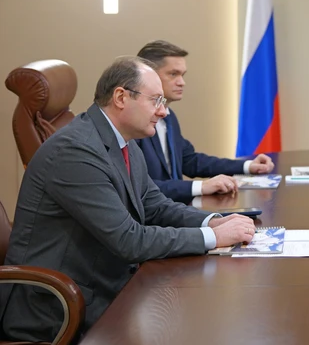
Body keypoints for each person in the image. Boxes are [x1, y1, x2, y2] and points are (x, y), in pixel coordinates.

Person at [1, 56, 257, 342]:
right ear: (121, 97)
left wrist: (213, 221)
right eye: (156, 100)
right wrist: (212, 237)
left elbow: (155, 206)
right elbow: (128, 240)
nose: (164, 112)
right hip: (56, 305)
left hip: (103, 284)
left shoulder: (124, 141)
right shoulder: (74, 151)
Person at [136, 40, 274, 202]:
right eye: (173, 74)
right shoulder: (134, 123)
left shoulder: (169, 117)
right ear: (149, 76)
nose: (182, 82)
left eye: (182, 75)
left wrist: (248, 166)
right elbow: (140, 187)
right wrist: (201, 187)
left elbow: (190, 161)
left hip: (176, 209)